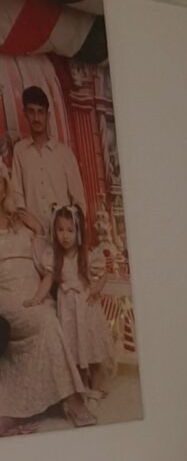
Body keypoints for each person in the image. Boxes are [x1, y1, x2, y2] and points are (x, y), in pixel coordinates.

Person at [0, 163, 94, 434]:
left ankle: (65, 398)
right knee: (44, 320)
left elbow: (47, 259)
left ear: (5, 187)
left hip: (35, 286)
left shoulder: (21, 218)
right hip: (6, 293)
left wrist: (39, 229)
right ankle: (72, 400)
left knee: (49, 314)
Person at [25, 205, 113, 398]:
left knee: (92, 347)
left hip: (86, 307)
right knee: (75, 349)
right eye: (60, 230)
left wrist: (96, 288)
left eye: (70, 231)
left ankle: (95, 386)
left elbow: (103, 273)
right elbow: (48, 279)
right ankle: (83, 387)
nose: (65, 236)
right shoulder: (54, 256)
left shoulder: (86, 255)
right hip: (68, 310)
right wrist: (36, 298)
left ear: (79, 231)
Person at [11, 86, 86, 234]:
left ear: (48, 115)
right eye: (31, 111)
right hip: (33, 235)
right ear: (25, 113)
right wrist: (32, 229)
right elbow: (17, 195)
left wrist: (69, 233)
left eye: (40, 112)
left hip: (62, 238)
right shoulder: (20, 151)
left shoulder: (64, 153)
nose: (36, 118)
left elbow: (78, 201)